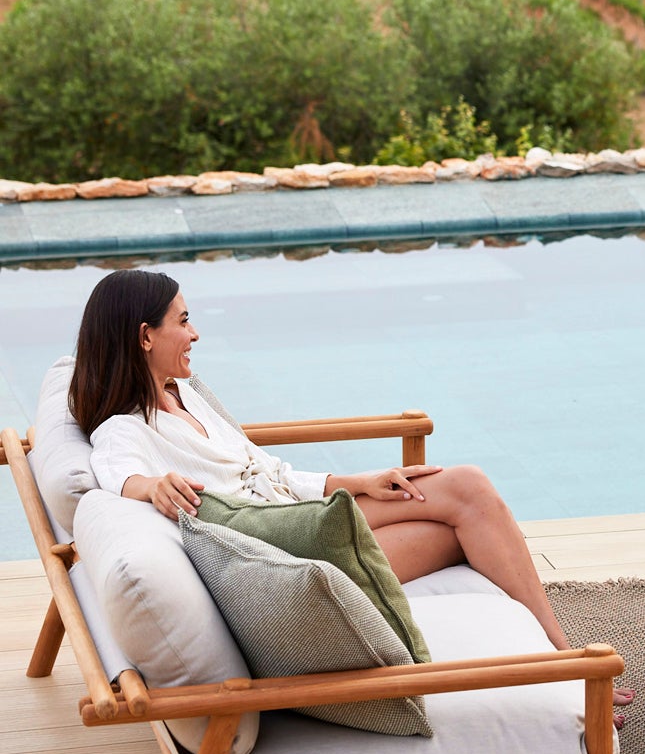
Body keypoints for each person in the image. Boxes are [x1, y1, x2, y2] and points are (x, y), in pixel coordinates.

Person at [70, 268, 581, 655]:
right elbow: (119, 475)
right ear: (144, 337)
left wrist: (356, 481)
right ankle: (563, 658)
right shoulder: (124, 429)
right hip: (292, 552)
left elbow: (266, 470)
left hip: (301, 513)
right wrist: (151, 487)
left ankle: (556, 647)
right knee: (463, 528)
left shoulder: (183, 394)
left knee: (465, 486)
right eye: (183, 322)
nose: (196, 333)